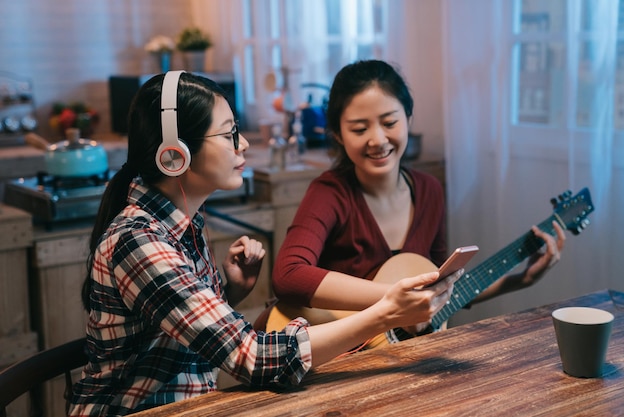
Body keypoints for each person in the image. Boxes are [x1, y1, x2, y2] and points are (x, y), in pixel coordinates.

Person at [69, 70, 459, 416]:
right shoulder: (141, 241)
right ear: (176, 155)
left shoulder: (183, 221)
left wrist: (229, 291)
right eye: (228, 135)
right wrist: (384, 313)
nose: (242, 146)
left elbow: (177, 327)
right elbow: (252, 358)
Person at [271, 59, 566, 340]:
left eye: (389, 122)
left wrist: (520, 280)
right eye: (360, 129)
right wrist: (394, 299)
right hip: (346, 360)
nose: (377, 139)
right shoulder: (329, 193)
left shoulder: (429, 190)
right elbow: (288, 275)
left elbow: (439, 290)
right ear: (337, 134)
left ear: (408, 119)